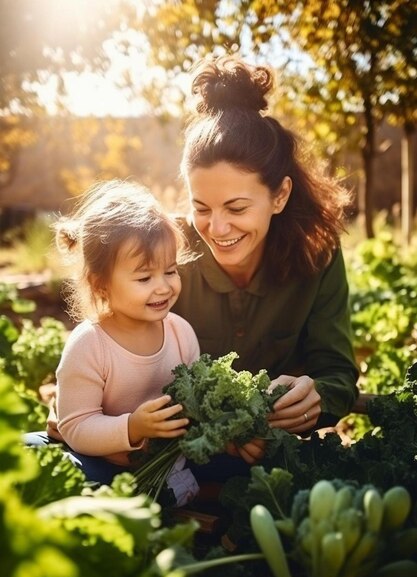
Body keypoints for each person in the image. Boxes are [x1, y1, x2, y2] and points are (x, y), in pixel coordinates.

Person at [170, 54, 359, 469]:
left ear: (280, 196)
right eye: (200, 207)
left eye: (236, 208)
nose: (217, 228)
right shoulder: (167, 248)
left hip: (276, 458)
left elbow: (338, 374)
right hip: (180, 456)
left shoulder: (318, 253)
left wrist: (315, 398)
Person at [26, 179, 200, 501]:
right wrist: (131, 427)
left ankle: (163, 497)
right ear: (101, 284)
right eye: (145, 278)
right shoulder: (90, 344)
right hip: (100, 461)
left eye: (171, 271)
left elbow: (196, 407)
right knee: (33, 453)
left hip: (163, 464)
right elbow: (76, 427)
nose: (163, 286)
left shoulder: (181, 333)